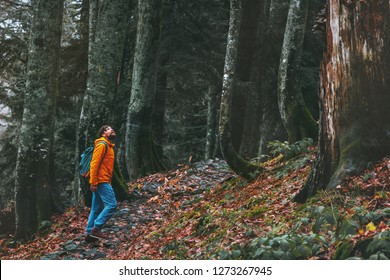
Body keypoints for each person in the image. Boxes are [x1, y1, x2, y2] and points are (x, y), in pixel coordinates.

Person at [85, 125, 118, 242]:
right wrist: (93, 182)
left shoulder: (109, 146)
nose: (112, 130)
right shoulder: (101, 145)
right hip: (100, 181)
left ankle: (89, 233)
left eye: (111, 128)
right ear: (103, 133)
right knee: (112, 205)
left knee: (96, 208)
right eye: (108, 129)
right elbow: (94, 164)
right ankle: (97, 228)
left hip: (102, 180)